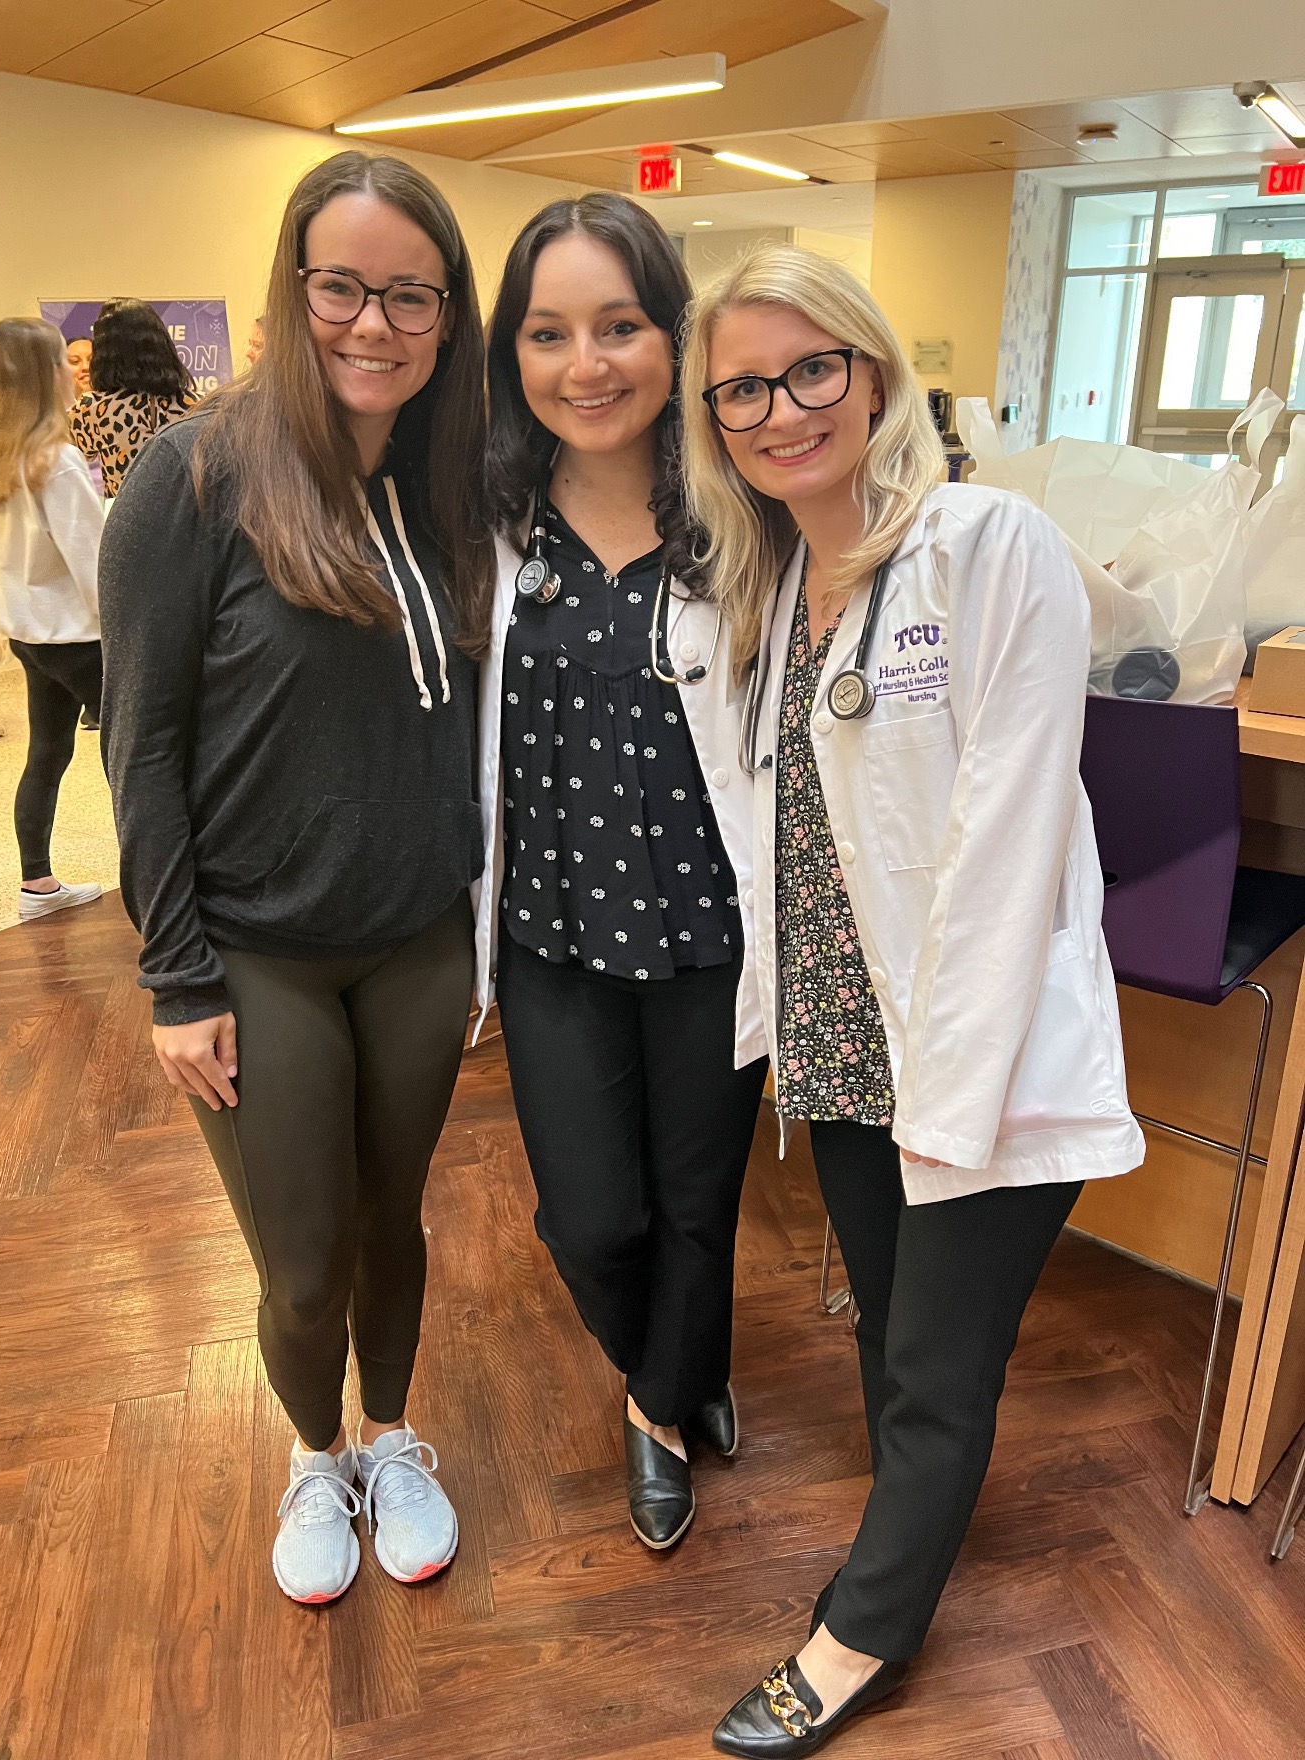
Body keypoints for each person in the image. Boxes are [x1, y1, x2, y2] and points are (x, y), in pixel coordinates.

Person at [680, 246, 1145, 1755]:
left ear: (870, 371)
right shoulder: (766, 587)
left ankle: (862, 1632)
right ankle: (913, 1525)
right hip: (843, 1032)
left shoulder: (981, 543)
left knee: (941, 1369)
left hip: (979, 1052)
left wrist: (952, 1103)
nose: (782, 407)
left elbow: (1006, 842)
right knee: (890, 1337)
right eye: (744, 385)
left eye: (812, 367)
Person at [99, 151, 493, 1606]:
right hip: (256, 952)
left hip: (417, 938)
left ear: (446, 316)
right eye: (343, 286)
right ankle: (311, 1457)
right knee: (305, 1255)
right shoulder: (192, 475)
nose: (374, 323)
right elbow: (141, 747)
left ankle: (393, 1439)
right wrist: (177, 976)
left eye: (410, 294)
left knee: (398, 1220)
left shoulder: (457, 487)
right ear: (294, 286)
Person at [477, 194, 768, 1551]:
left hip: (711, 935)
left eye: (619, 326)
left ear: (674, 335)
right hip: (550, 936)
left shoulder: (741, 519)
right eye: (550, 333)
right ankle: (680, 1352)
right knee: (591, 1218)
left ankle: (663, 1406)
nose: (585, 364)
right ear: (513, 354)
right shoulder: (484, 526)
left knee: (698, 1200)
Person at [0, 317, 105, 917]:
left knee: (49, 750)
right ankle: (163, 878)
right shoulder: (55, 462)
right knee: (140, 758)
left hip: (31, 635)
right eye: (65, 359)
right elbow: (95, 567)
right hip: (82, 638)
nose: (74, 369)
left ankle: (37, 883)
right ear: (44, 374)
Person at [70, 298, 196, 497]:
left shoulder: (90, 410)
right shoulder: (195, 404)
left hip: (125, 517)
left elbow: (74, 460)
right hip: (184, 518)